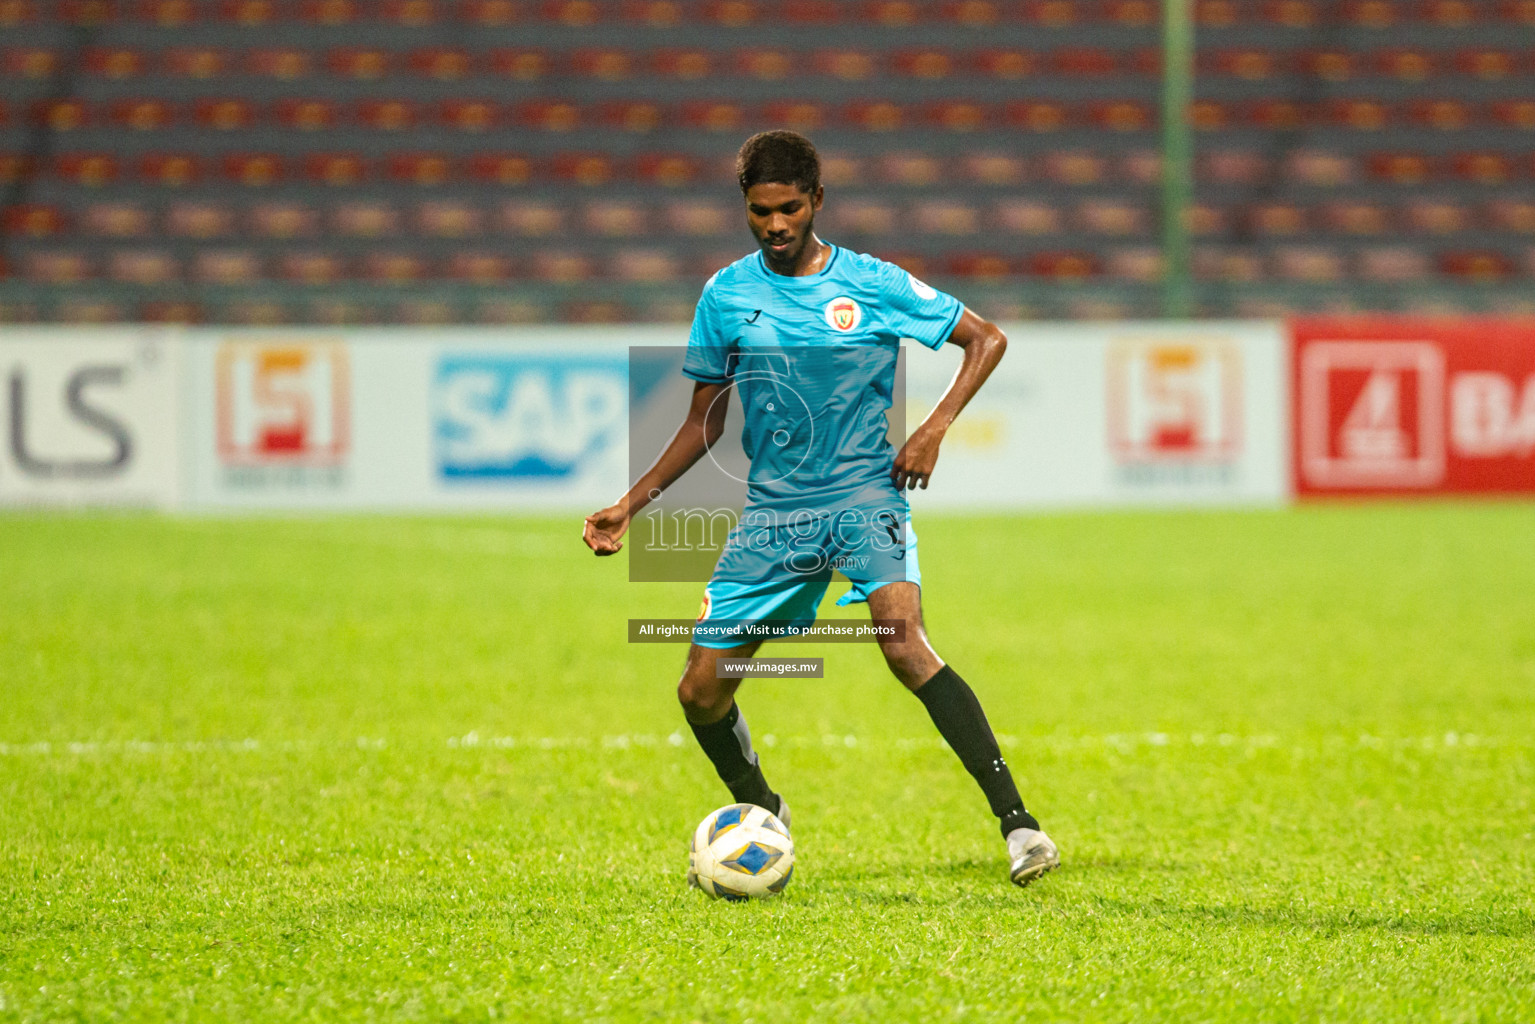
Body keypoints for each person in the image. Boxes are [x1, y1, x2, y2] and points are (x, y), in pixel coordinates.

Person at [582, 130, 1058, 887]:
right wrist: (629, 507)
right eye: (759, 211)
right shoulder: (726, 295)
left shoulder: (872, 283)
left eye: (789, 208)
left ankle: (1020, 827)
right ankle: (761, 811)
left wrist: (931, 429)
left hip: (865, 496)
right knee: (699, 691)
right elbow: (703, 421)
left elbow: (985, 340)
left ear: (817, 201)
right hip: (774, 514)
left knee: (903, 643)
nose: (775, 225)